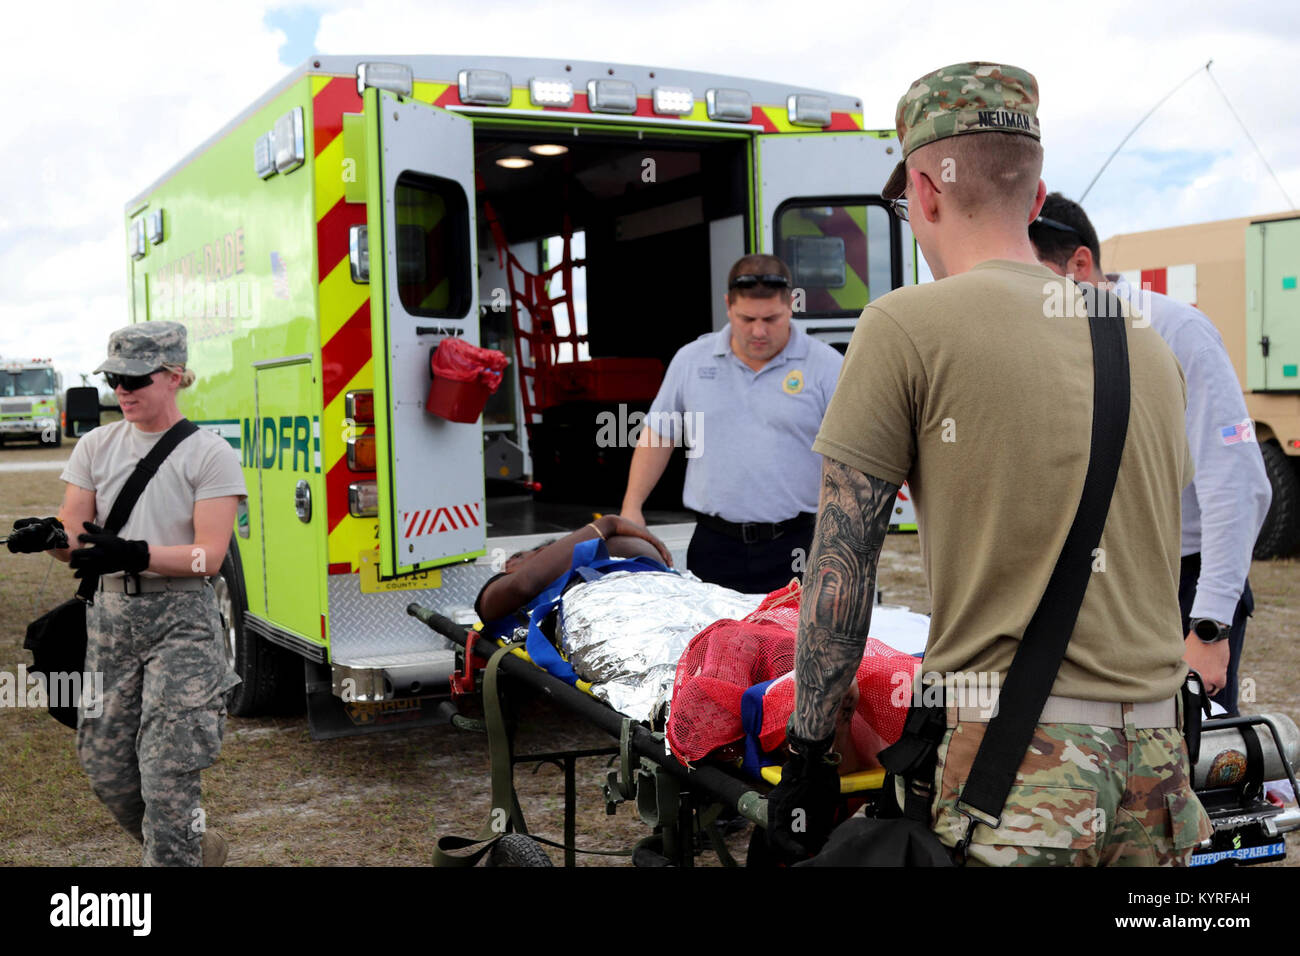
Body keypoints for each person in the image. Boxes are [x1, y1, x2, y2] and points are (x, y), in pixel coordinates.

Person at [768, 62, 1212, 866]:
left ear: (924, 194)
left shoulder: (904, 324)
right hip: (1160, 763)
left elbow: (842, 574)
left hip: (1020, 770)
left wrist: (807, 757)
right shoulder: (1141, 337)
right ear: (1036, 200)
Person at [7, 321, 246, 867]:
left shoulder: (209, 454)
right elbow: (76, 537)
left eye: (136, 378)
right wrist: (48, 536)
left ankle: (173, 857)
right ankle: (192, 848)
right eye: (115, 378)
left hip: (182, 622)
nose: (123, 390)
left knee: (167, 777)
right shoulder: (96, 445)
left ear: (175, 376)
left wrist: (136, 553)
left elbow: (208, 556)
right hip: (110, 621)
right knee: (107, 768)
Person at [1029, 193, 1272, 715]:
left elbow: (1237, 483)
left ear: (1080, 263)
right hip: (1099, 581)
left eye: (1040, 283)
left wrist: (1208, 626)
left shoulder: (1176, 333)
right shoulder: (1052, 341)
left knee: (1188, 761)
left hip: (1184, 585)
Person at [619, 254, 844, 594]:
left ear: (791, 306)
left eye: (771, 318)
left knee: (792, 646)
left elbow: (850, 451)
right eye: (747, 318)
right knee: (714, 645)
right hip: (715, 545)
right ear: (728, 306)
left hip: (798, 544)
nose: (758, 330)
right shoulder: (692, 360)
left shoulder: (827, 365)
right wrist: (631, 508)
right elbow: (659, 435)